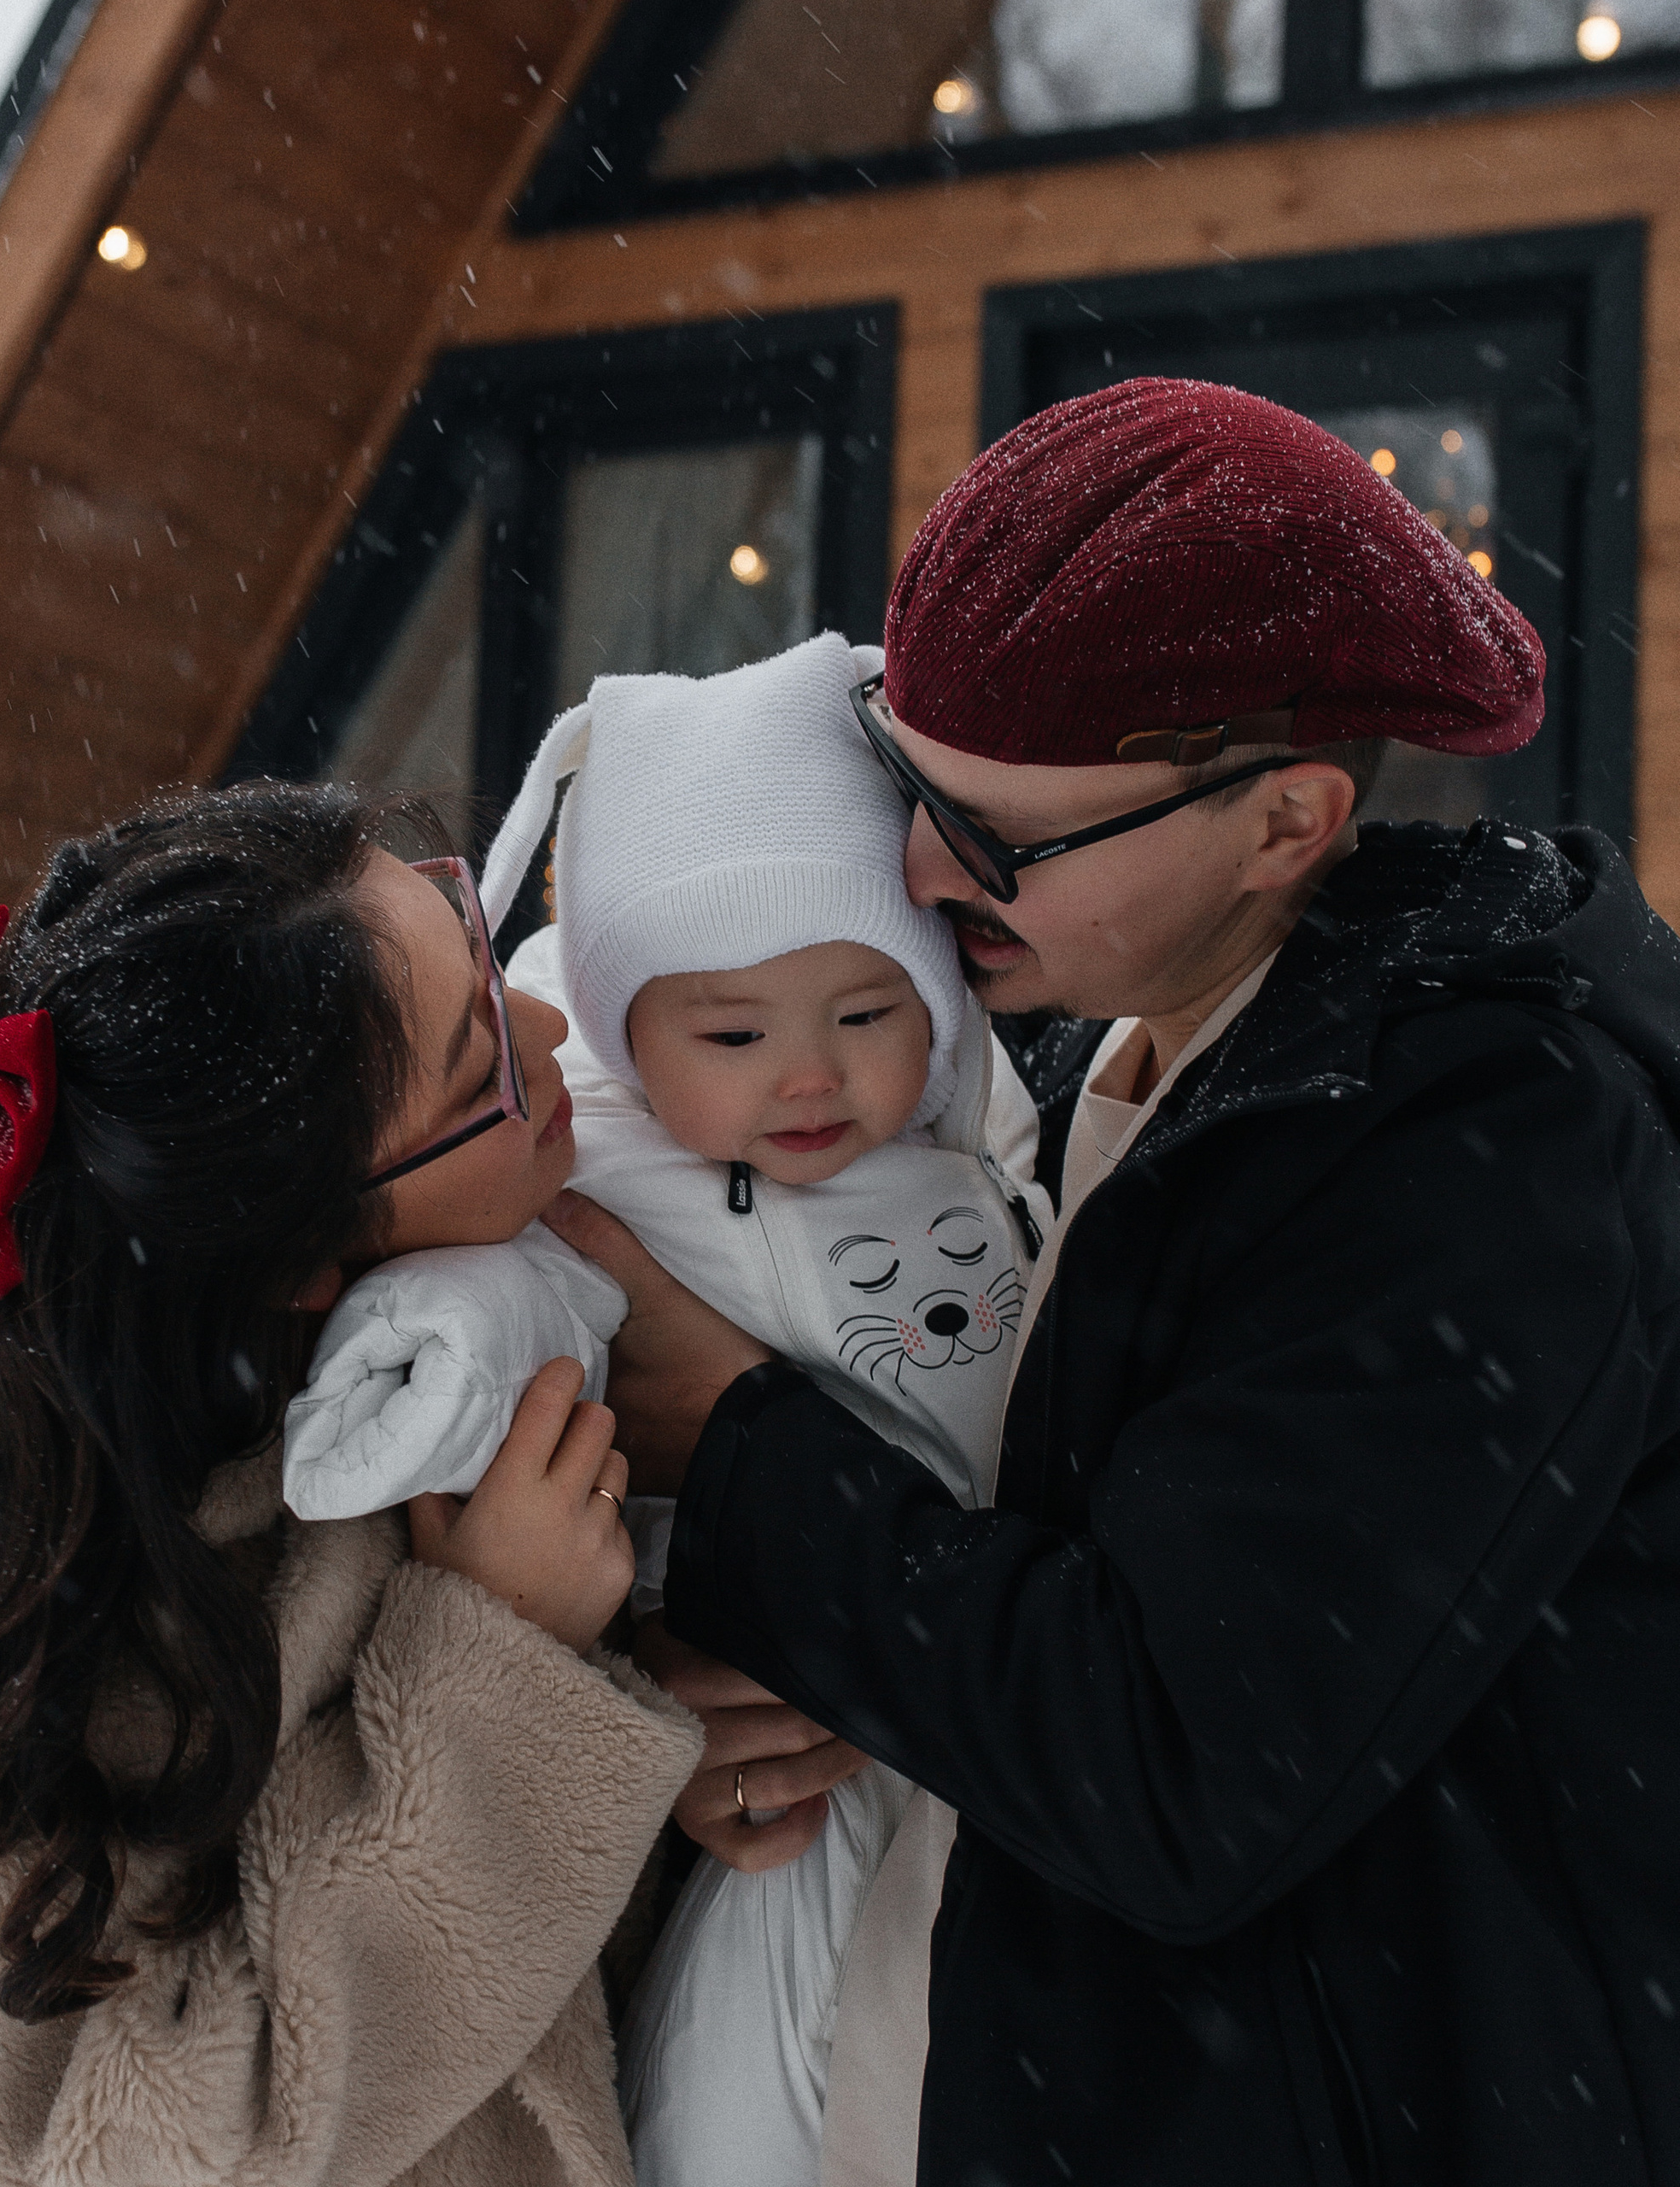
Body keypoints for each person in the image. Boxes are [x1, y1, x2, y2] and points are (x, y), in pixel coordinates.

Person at [547, 379, 1680, 2185]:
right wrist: (766, 1709)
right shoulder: (1093, 1059)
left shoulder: (1491, 1153)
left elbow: (1167, 1757)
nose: (914, 872)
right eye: (900, 784)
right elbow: (1045, 1607)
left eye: (995, 836)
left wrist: (734, 1445)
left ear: (1285, 820)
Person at [0, 783, 702, 2187]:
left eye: (482, 949)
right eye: (482, 1071)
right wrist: (506, 1668)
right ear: (293, 1252)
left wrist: (687, 1747)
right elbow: (144, 2152)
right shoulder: (9, 1613)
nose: (549, 1034)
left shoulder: (421, 1361)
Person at [282, 633, 1050, 2187]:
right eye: (734, 1034)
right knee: (753, 2092)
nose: (810, 1076)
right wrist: (416, 1375)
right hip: (796, 1743)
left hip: (1000, 1715)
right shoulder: (601, 1188)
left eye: (867, 1010)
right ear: (629, 1021)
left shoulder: (991, 1156)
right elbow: (512, 1299)